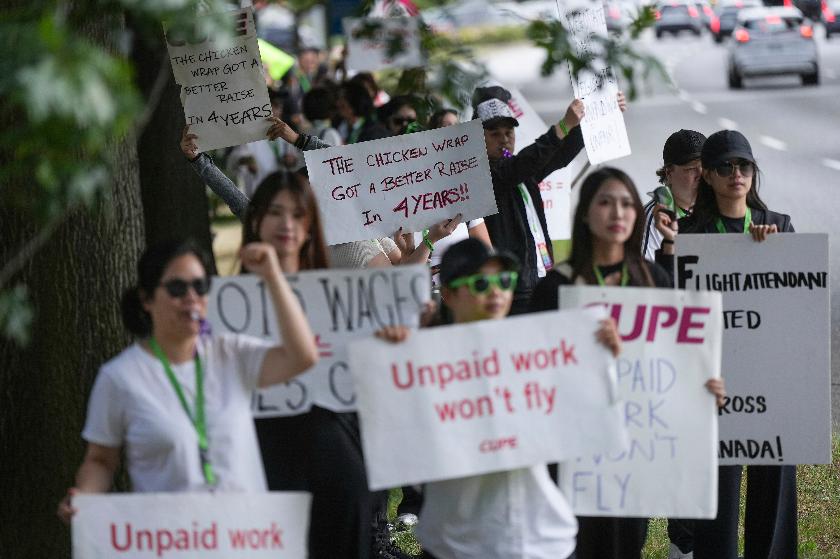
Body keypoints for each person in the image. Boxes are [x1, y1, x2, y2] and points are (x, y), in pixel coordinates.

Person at [376, 237, 623, 559]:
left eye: (504, 280)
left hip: (540, 542)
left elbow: (591, 427)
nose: (496, 291)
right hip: (457, 544)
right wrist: (399, 363)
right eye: (480, 282)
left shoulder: (538, 354)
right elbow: (403, 454)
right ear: (448, 294)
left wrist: (604, 364)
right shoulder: (425, 367)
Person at [530, 167, 726, 559]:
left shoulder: (652, 280)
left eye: (626, 204)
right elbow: (535, 371)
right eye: (605, 202)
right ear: (585, 214)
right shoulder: (557, 286)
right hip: (573, 451)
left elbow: (672, 364)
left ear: (637, 214)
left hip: (635, 447)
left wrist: (704, 391)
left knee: (625, 544)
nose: (617, 213)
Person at [57, 239, 317, 521]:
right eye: (177, 288)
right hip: (172, 540)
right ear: (147, 299)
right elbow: (101, 460)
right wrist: (84, 497)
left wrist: (273, 277)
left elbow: (302, 356)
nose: (191, 297)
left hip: (243, 538)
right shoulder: (119, 378)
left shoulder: (230, 354)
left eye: (200, 286)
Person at [655, 129, 796, 559]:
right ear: (708, 178)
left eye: (744, 165)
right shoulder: (690, 234)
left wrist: (774, 253)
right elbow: (668, 308)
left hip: (767, 381)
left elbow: (797, 303)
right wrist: (669, 251)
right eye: (725, 167)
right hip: (712, 383)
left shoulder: (781, 226)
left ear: (754, 173)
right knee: (717, 489)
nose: (736, 174)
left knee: (772, 485)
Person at [474, 85, 627, 315]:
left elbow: (559, 154)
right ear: (477, 139)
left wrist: (599, 115)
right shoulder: (484, 176)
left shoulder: (523, 171)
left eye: (509, 133)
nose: (504, 140)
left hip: (542, 278)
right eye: (494, 134)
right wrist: (563, 125)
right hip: (513, 289)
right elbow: (522, 164)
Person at [224, 88, 303, 198]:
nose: (278, 111)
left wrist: (292, 160)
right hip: (259, 196)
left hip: (282, 193)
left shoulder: (285, 134)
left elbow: (296, 161)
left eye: (279, 106)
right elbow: (234, 161)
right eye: (274, 106)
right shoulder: (250, 137)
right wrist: (246, 161)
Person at [641, 129, 706, 261]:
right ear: (669, 173)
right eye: (692, 168)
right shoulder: (655, 217)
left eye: (705, 166)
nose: (701, 174)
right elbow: (646, 276)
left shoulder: (717, 206)